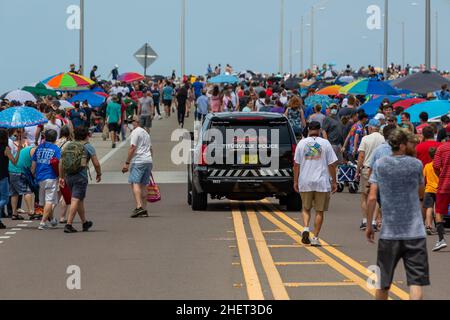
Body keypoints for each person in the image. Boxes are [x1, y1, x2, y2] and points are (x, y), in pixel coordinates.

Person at [366, 129, 429, 300]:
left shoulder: (380, 164)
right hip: (414, 233)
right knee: (416, 282)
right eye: (410, 143)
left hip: (389, 233)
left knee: (383, 283)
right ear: (402, 145)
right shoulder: (416, 164)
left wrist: (370, 224)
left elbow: (372, 197)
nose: (413, 146)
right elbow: (420, 192)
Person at [293, 121, 338, 247]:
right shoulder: (325, 143)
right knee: (319, 211)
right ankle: (315, 237)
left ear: (308, 129)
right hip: (322, 182)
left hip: (305, 180)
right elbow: (331, 164)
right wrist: (334, 181)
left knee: (306, 208)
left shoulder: (301, 143)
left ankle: (306, 228)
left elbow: (296, 165)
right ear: (319, 130)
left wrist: (295, 181)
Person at [60, 126, 101, 233]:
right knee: (75, 199)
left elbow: (61, 162)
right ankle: (69, 224)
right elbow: (96, 163)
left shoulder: (68, 145)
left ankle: (84, 222)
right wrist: (99, 174)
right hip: (80, 176)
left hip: (69, 176)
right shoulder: (88, 147)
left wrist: (61, 176)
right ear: (87, 135)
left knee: (79, 199)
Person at [356, 119, 385, 231]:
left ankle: (364, 220)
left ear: (371, 127)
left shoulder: (365, 139)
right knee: (376, 196)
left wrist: (358, 169)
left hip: (367, 168)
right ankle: (373, 221)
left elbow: (361, 156)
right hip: (380, 169)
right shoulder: (383, 139)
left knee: (364, 195)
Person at [122, 115, 153, 218]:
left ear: (136, 122)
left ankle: (139, 206)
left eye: (131, 122)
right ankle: (144, 208)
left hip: (138, 160)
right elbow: (151, 149)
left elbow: (132, 147)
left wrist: (127, 162)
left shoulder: (135, 132)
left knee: (135, 183)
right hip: (148, 160)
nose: (130, 124)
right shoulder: (146, 133)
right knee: (144, 185)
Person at [31, 130, 60, 230]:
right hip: (50, 176)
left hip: (40, 177)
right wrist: (61, 176)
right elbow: (59, 163)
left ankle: (51, 220)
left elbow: (33, 164)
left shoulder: (39, 148)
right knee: (49, 201)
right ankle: (42, 222)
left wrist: (33, 174)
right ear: (55, 138)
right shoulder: (55, 149)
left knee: (44, 202)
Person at [9, 130, 36, 220]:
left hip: (11, 169)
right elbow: (33, 167)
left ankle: (14, 213)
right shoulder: (33, 150)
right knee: (27, 191)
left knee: (14, 193)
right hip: (19, 171)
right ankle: (31, 211)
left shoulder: (27, 149)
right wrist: (33, 177)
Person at [0, 129, 22, 229]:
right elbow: (14, 161)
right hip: (3, 176)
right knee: (4, 198)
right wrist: (18, 151)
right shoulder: (6, 148)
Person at [432, 138, 450, 251]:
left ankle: (441, 239)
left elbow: (436, 166)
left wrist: (441, 175)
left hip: (444, 184)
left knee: (439, 211)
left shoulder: (441, 148)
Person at [423, 147, 439, 235]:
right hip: (438, 189)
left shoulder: (427, 166)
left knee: (429, 208)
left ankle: (428, 225)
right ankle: (438, 226)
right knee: (437, 209)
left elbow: (422, 177)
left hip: (428, 189)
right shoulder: (439, 166)